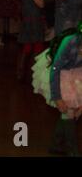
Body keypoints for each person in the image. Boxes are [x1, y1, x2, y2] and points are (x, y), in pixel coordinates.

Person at [32, 21, 82, 156]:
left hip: (77, 73)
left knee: (70, 112)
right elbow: (55, 69)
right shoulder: (70, 42)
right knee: (69, 111)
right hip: (59, 72)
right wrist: (57, 97)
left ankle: (55, 144)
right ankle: (74, 152)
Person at [16, 0, 45, 82]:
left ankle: (22, 73)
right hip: (33, 23)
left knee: (28, 48)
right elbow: (41, 4)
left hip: (30, 22)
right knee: (36, 47)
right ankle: (35, 74)